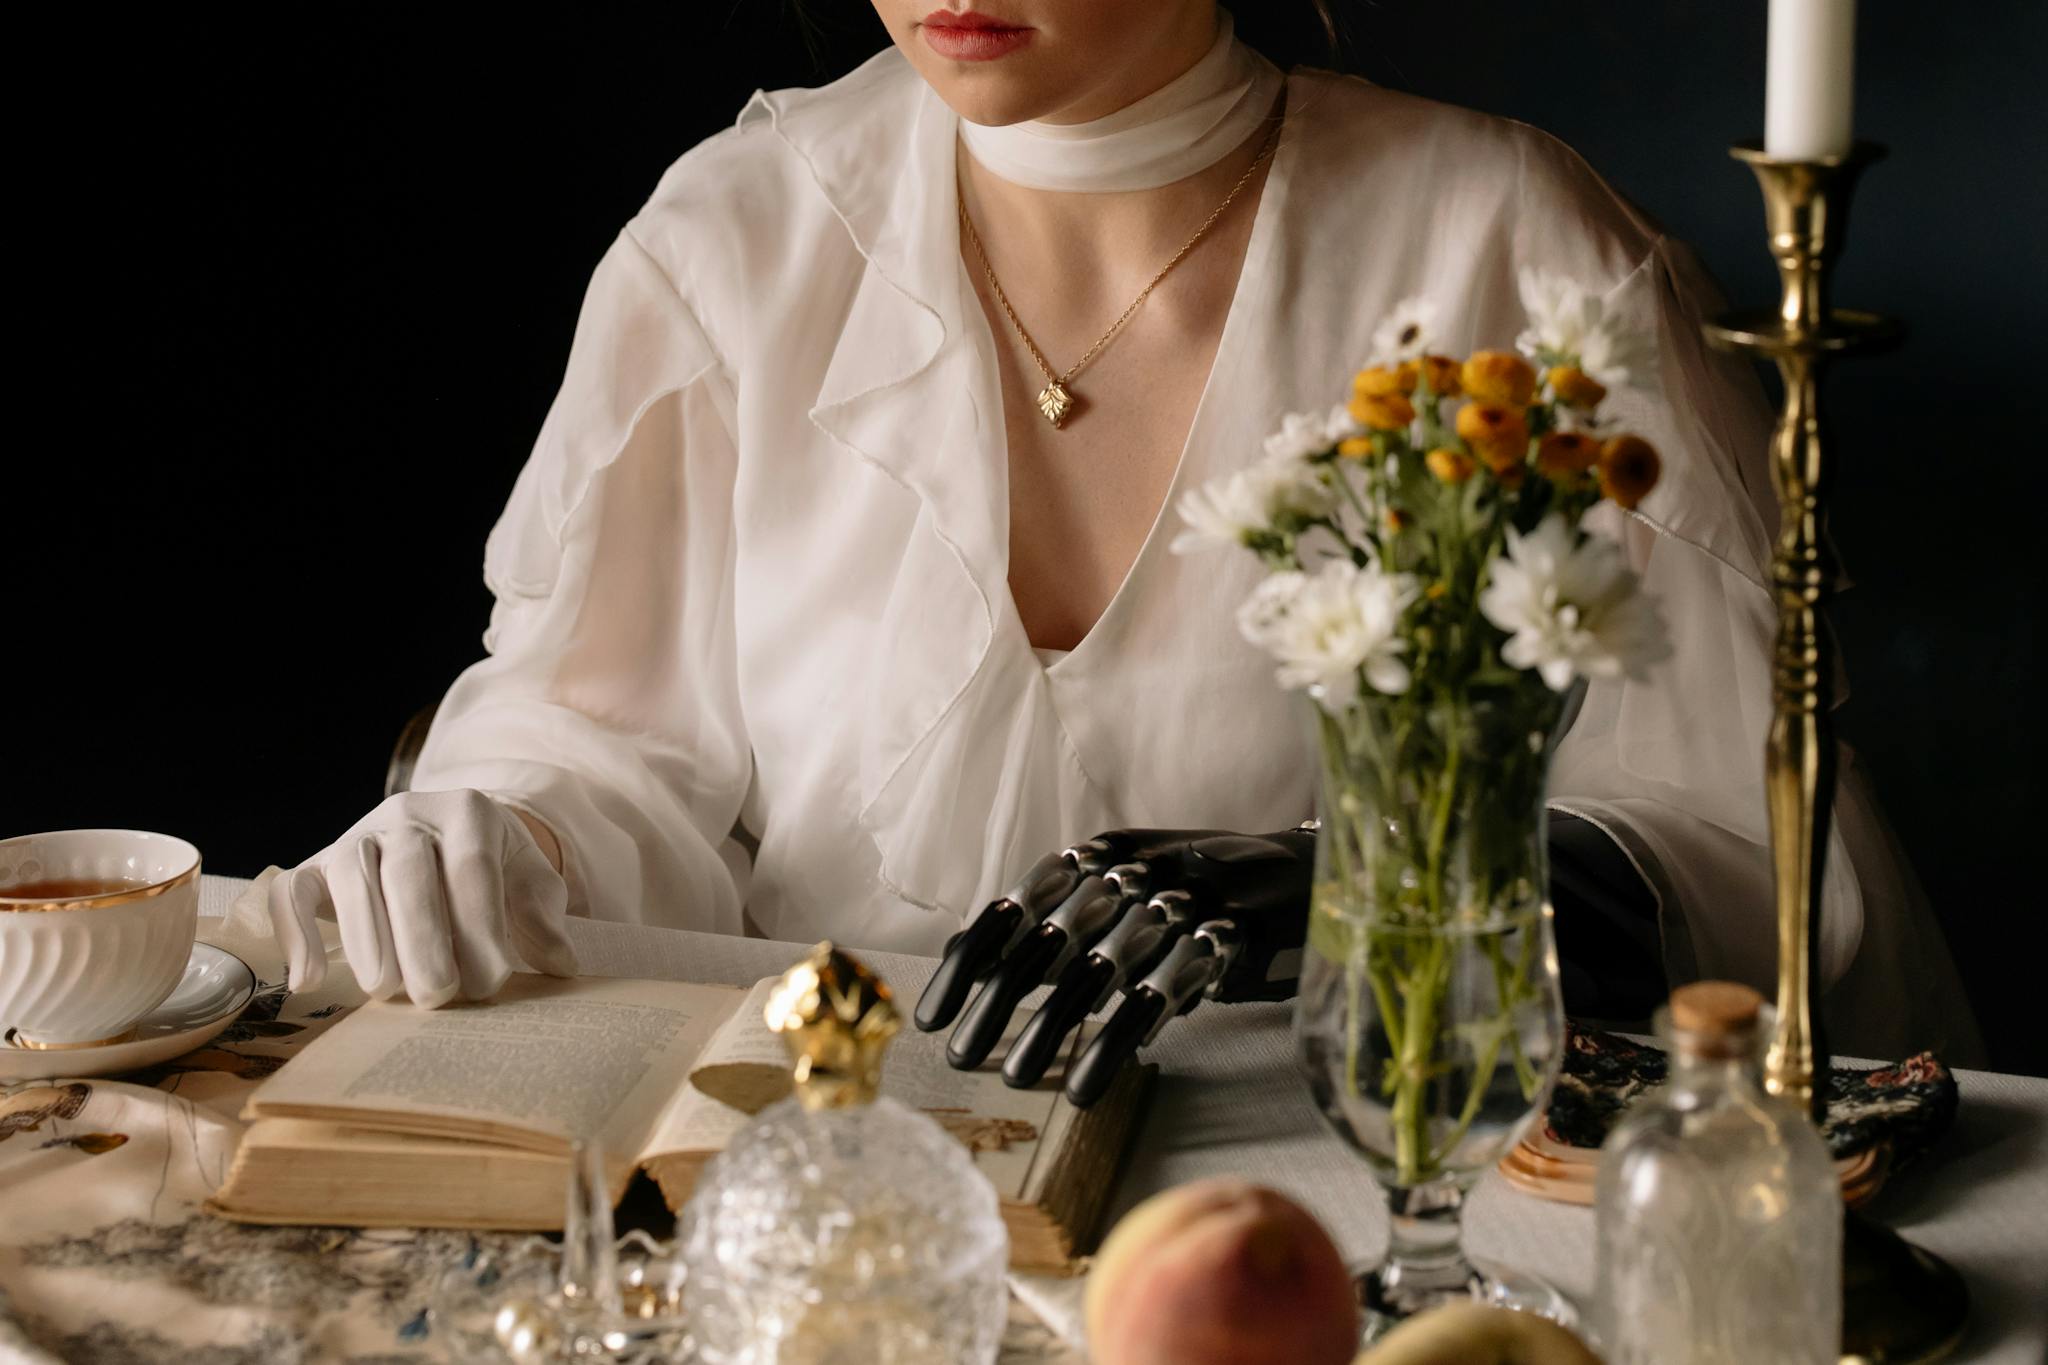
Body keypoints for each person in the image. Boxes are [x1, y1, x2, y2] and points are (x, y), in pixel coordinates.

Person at [266, 1, 1980, 1064]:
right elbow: (606, 748)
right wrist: (504, 835)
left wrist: (1369, 888)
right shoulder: (737, 242)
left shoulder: (1505, 253)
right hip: (813, 1187)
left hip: (1323, 1243)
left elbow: (1753, 861)